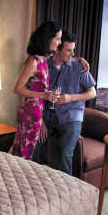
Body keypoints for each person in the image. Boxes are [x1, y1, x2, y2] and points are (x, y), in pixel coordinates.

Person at [32, 32, 97, 175]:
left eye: (73, 50)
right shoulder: (44, 66)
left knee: (64, 154)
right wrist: (41, 121)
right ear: (57, 50)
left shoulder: (79, 67)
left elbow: (92, 93)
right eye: (68, 50)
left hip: (71, 116)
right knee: (34, 149)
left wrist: (71, 98)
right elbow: (35, 95)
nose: (72, 54)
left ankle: (66, 192)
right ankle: (33, 184)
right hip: (48, 116)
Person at [8, 21, 63, 160]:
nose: (59, 42)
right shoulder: (33, 62)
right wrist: (43, 95)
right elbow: (17, 89)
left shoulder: (44, 59)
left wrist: (80, 60)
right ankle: (17, 177)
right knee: (24, 151)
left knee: (25, 150)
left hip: (37, 111)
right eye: (57, 38)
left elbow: (65, 58)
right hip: (29, 111)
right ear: (48, 38)